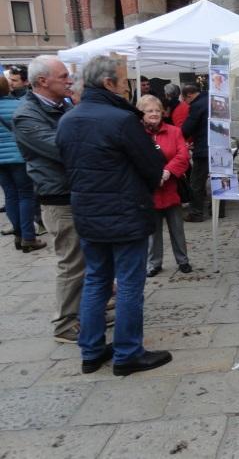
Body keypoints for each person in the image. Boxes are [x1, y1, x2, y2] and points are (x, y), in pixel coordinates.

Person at [55, 55, 171, 376]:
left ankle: (91, 351)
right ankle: (128, 353)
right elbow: (152, 166)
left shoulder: (68, 120)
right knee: (130, 284)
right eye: (123, 81)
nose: (127, 87)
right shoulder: (121, 121)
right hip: (125, 214)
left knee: (96, 280)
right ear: (108, 83)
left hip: (88, 213)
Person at [13, 56, 83, 342]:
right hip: (58, 198)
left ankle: (88, 310)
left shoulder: (63, 106)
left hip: (76, 191)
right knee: (72, 262)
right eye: (63, 75)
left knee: (86, 258)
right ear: (43, 81)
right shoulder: (26, 116)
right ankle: (65, 325)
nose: (69, 80)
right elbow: (63, 148)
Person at [136, 95, 192, 277]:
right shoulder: (136, 134)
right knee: (153, 231)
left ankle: (183, 260)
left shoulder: (174, 131)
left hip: (171, 188)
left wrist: (167, 172)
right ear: (141, 114)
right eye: (149, 111)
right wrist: (152, 175)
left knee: (177, 228)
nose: (154, 114)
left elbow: (182, 156)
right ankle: (154, 263)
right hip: (149, 191)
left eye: (157, 110)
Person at [0, 76, 45, 253]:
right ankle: (28, 237)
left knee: (10, 196)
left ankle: (18, 234)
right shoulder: (18, 105)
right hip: (19, 157)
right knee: (26, 195)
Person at [181, 83, 209, 222]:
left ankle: (196, 213)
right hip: (218, 146)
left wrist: (177, 138)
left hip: (204, 149)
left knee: (196, 182)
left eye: (185, 100)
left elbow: (187, 128)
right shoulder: (211, 99)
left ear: (189, 95)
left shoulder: (197, 105)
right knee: (218, 179)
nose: (186, 103)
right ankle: (218, 210)